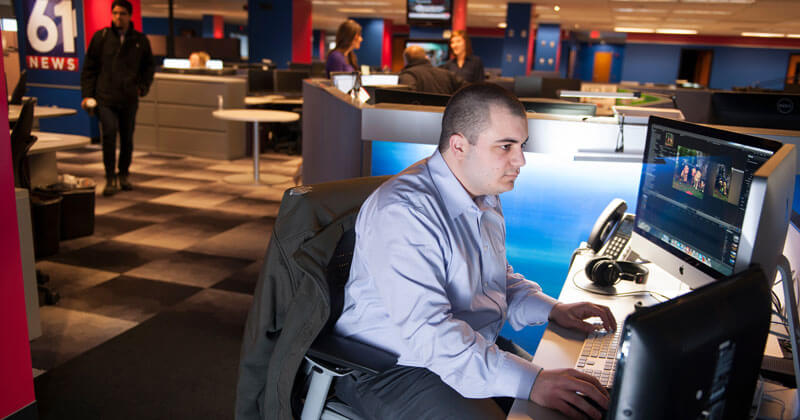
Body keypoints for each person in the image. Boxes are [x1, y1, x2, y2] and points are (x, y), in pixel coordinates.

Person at [334, 83, 616, 420]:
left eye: (521, 145)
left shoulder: (482, 193)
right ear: (459, 145)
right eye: (505, 146)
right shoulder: (404, 210)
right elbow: (430, 333)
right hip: (392, 366)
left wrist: (554, 310)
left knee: (581, 401)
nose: (521, 160)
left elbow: (496, 280)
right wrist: (534, 382)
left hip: (463, 346)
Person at [81, 0, 154, 197]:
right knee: (109, 135)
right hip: (105, 97)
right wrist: (87, 94)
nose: (118, 17)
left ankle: (123, 174)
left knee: (127, 138)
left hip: (129, 97)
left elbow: (149, 67)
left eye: (122, 13)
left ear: (130, 16)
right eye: (114, 13)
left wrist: (142, 87)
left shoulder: (140, 40)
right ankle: (110, 177)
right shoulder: (101, 38)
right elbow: (89, 69)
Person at [398, 45, 465, 94]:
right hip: (447, 113)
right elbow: (468, 89)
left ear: (406, 61)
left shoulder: (408, 75)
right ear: (426, 57)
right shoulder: (448, 74)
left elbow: (406, 99)